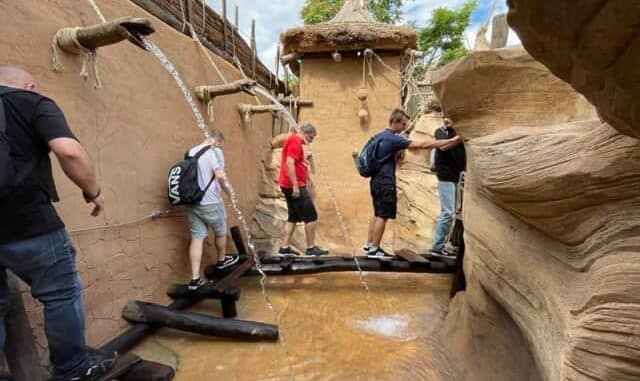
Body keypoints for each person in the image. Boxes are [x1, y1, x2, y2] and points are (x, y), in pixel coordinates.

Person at [0, 65, 115, 380]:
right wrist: (93, 192)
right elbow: (69, 152)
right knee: (60, 294)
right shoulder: (32, 102)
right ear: (30, 85)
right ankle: (72, 369)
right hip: (29, 224)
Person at [364, 108, 461, 259]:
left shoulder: (380, 136)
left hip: (375, 180)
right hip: (385, 182)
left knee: (377, 214)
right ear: (395, 122)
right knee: (383, 216)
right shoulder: (393, 139)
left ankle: (369, 244)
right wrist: (453, 140)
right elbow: (422, 145)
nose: (404, 128)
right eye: (403, 124)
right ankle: (374, 249)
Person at [185, 129, 238, 290]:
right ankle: (221, 261)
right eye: (221, 144)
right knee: (220, 230)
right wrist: (230, 194)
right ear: (218, 141)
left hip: (192, 201)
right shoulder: (214, 152)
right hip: (211, 202)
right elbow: (220, 176)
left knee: (197, 237)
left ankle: (195, 279)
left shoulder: (190, 152)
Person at [277, 123, 329, 257]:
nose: (311, 140)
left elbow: (295, 162)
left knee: (293, 217)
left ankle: (284, 247)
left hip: (287, 184)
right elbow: (289, 163)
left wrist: (305, 165)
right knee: (311, 216)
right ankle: (311, 248)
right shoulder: (295, 141)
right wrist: (295, 185)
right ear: (305, 133)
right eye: (310, 137)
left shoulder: (292, 140)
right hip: (294, 185)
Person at [430, 115, 466, 258]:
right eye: (444, 117)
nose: (445, 120)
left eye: (449, 117)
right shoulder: (440, 132)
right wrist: (459, 138)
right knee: (447, 212)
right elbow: (443, 147)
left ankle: (442, 246)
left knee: (454, 213)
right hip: (445, 177)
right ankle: (437, 247)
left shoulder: (460, 131)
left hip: (458, 177)